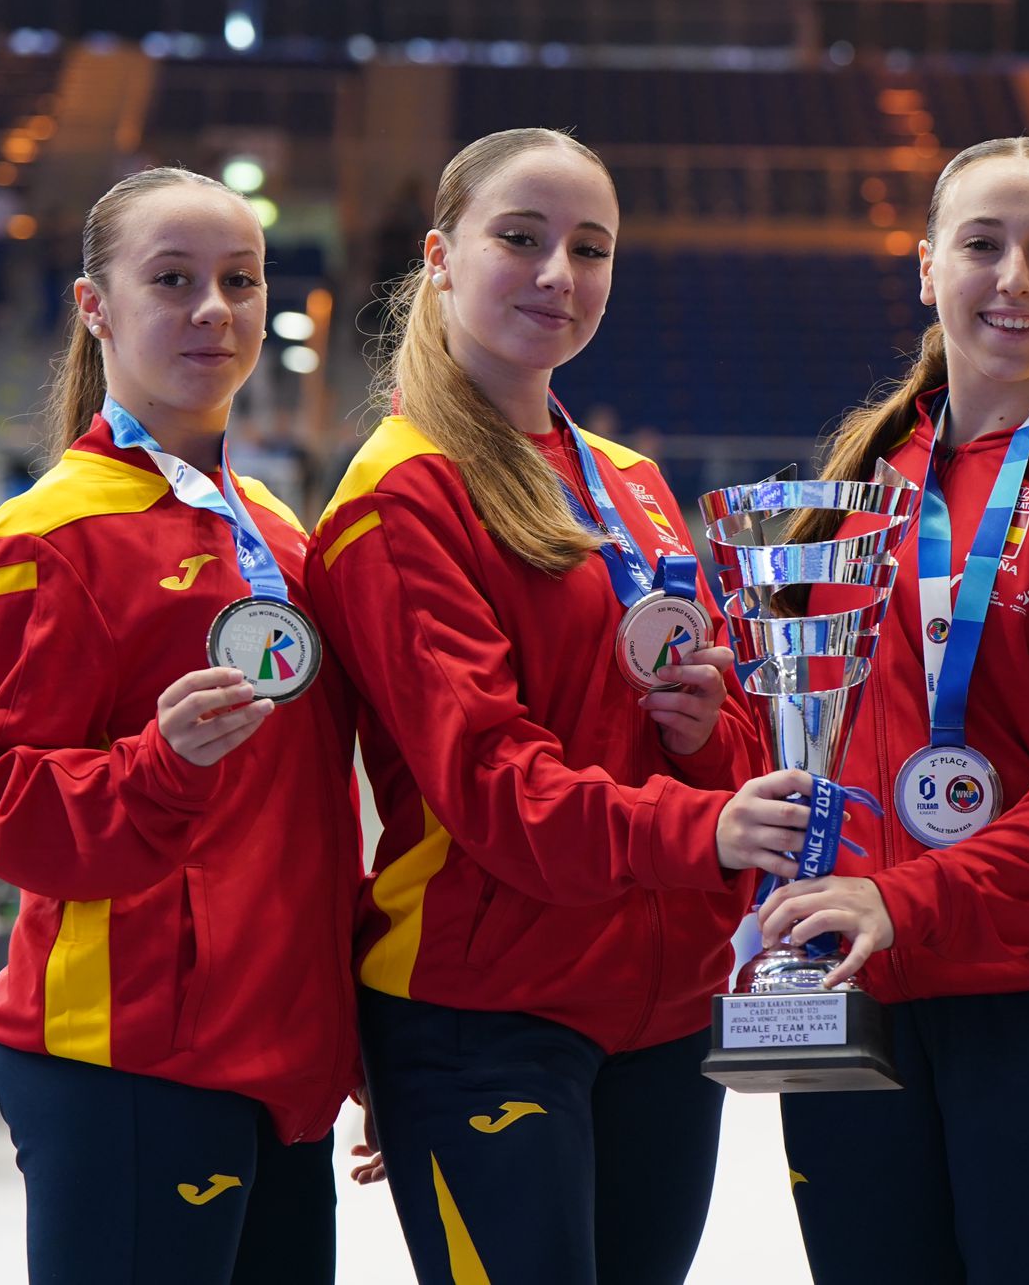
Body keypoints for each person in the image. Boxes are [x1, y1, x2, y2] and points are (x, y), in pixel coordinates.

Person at [304, 127, 799, 1285]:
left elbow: (721, 735)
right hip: (490, 1013)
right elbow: (487, 781)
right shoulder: (400, 495)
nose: (557, 276)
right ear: (438, 255)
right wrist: (702, 829)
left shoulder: (626, 481)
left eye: (590, 248)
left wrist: (706, 734)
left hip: (661, 1012)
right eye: (519, 240)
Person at [755, 136, 1029, 1285]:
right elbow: (821, 725)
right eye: (982, 245)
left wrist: (903, 896)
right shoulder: (872, 476)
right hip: (861, 991)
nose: (1014, 279)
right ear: (928, 263)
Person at [0, 166, 363, 1284]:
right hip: (130, 1050)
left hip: (277, 1054)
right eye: (171, 279)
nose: (212, 310)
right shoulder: (42, 537)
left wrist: (348, 1023)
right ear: (95, 306)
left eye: (238, 280)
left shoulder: (276, 528)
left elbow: (310, 814)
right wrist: (158, 765)